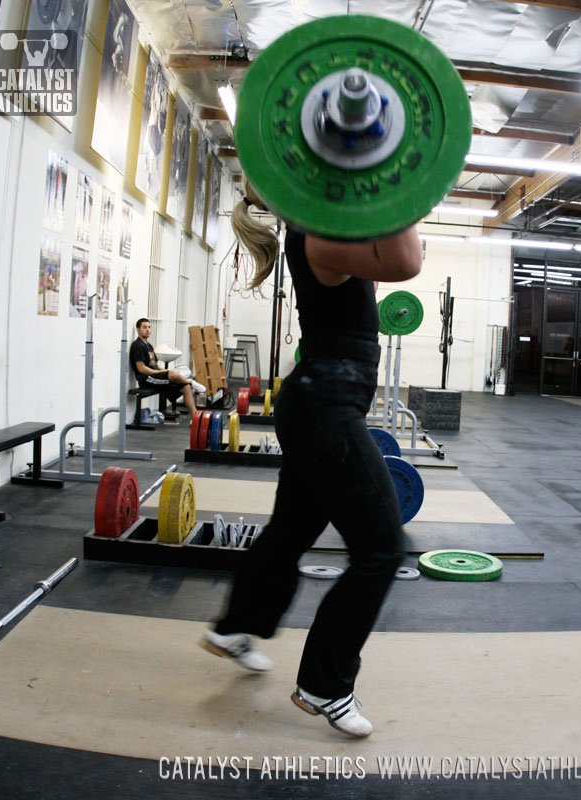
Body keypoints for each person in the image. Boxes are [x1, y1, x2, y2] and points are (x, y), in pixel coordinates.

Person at [200, 181, 422, 738]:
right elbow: (407, 259)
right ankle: (326, 683)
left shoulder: (321, 227)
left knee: (291, 531)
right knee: (382, 549)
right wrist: (401, 175)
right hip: (325, 407)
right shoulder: (319, 237)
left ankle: (235, 626)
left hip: (316, 402)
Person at [130, 318, 205, 418]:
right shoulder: (137, 346)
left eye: (149, 327)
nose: (148, 330)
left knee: (186, 388)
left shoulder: (149, 346)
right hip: (147, 379)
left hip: (155, 377)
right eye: (144, 327)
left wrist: (165, 371)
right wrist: (160, 373)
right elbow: (141, 369)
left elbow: (155, 365)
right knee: (175, 375)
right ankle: (190, 382)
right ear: (138, 330)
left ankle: (195, 419)